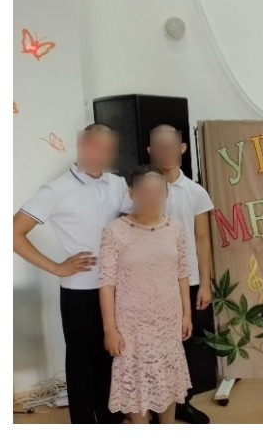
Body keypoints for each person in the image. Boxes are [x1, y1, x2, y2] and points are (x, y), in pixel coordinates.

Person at [14, 122, 127, 424]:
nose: (99, 153)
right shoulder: (57, 189)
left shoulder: (118, 184)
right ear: (80, 145)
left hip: (116, 288)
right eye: (94, 145)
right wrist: (56, 267)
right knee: (81, 363)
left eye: (107, 148)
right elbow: (13, 233)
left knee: (111, 358)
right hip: (80, 291)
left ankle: (111, 420)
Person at [99, 164, 192, 423]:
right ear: (132, 193)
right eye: (145, 192)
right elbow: (106, 283)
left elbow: (182, 272)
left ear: (166, 194)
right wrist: (110, 329)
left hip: (168, 321)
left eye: (158, 192)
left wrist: (186, 314)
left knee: (168, 379)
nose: (152, 198)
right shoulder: (115, 230)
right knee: (137, 383)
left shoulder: (174, 228)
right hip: (132, 326)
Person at [142, 125, 216, 422]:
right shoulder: (139, 189)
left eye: (171, 146)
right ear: (150, 151)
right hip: (151, 283)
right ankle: (151, 404)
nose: (166, 152)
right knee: (152, 344)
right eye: (159, 147)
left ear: (182, 148)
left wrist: (205, 283)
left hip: (189, 280)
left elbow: (203, 239)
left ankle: (182, 402)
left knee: (186, 344)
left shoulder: (195, 192)